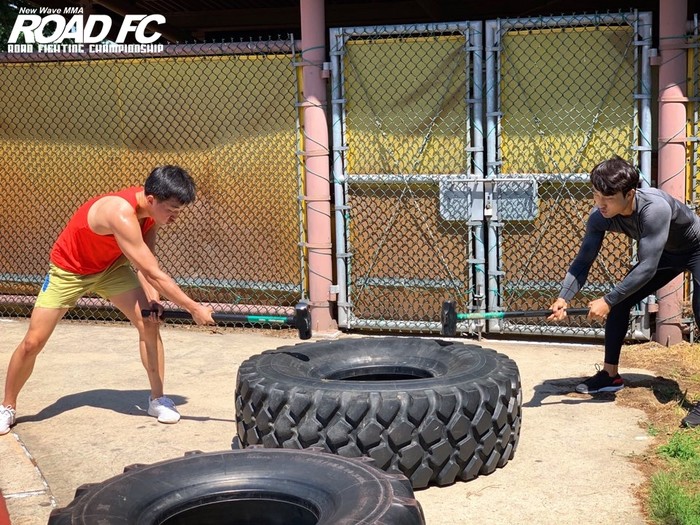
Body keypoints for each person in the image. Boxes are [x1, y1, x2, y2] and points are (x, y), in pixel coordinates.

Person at [0, 165, 215, 435]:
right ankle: (7, 407)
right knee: (33, 342)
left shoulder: (149, 214)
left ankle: (158, 399)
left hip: (110, 270)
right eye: (172, 210)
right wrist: (194, 308)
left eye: (179, 212)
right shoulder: (121, 213)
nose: (174, 218)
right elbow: (152, 272)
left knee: (149, 323)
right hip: (70, 271)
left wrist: (153, 301)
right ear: (151, 200)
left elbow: (146, 264)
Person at [548, 156, 700, 428]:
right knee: (621, 300)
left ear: (629, 194)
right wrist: (564, 297)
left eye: (607, 198)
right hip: (664, 254)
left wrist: (606, 300)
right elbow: (584, 260)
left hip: (696, 249)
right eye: (596, 195)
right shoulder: (600, 216)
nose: (600, 203)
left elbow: (647, 268)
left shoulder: (654, 208)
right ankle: (610, 376)